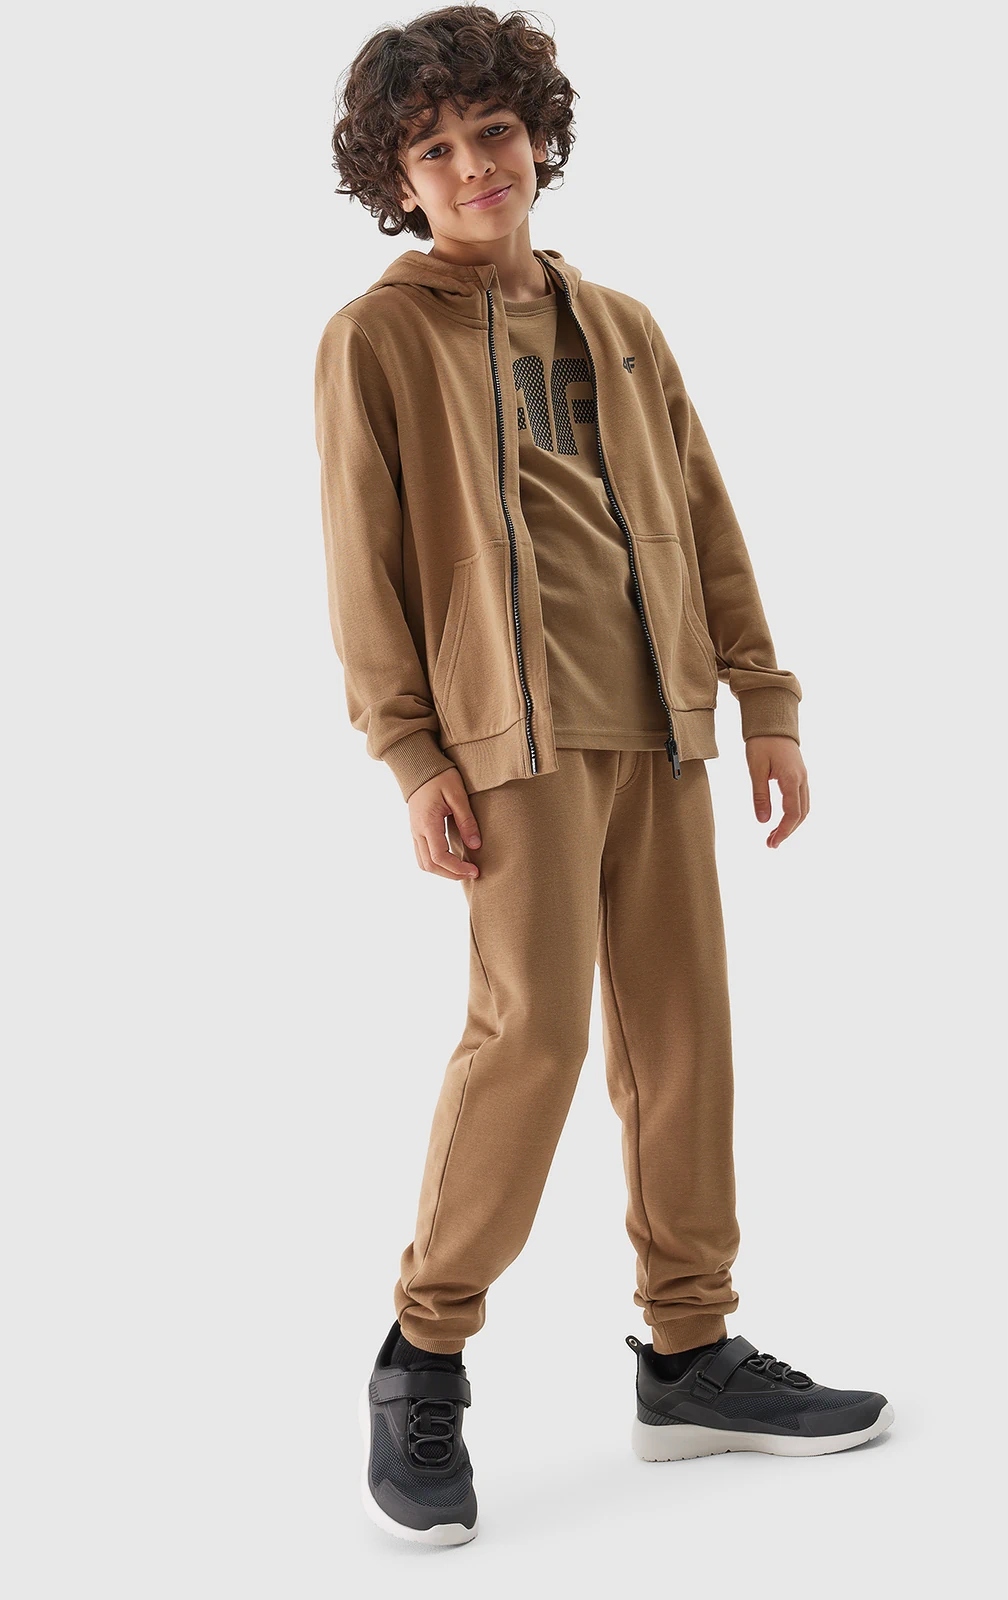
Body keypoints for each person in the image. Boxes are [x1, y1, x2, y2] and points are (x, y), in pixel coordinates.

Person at [313, 6, 893, 1546]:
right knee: (536, 1038)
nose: (472, 167)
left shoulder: (623, 323)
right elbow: (364, 565)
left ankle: (690, 1353)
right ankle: (423, 1352)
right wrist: (411, 753)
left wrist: (763, 697)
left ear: (539, 137)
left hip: (660, 723)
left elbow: (704, 515)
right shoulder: (378, 337)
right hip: (515, 744)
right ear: (398, 182)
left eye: (493, 132)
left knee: (685, 1035)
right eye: (434, 151)